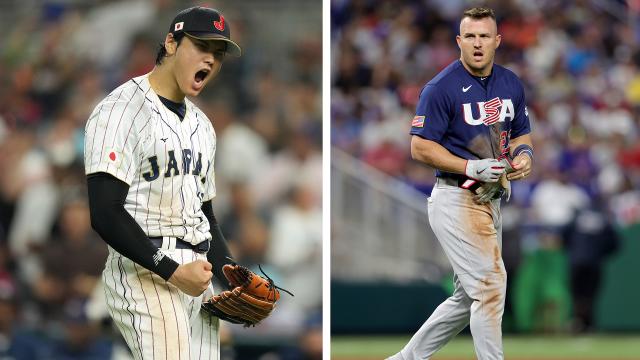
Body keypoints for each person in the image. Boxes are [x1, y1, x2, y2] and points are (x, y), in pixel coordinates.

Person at [84, 6, 242, 359]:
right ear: (171, 43)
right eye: (202, 47)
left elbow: (206, 217)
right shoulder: (121, 109)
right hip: (145, 270)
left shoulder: (203, 126)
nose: (211, 60)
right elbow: (105, 212)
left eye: (218, 54)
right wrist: (171, 271)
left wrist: (234, 275)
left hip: (198, 273)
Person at [387, 7, 533, 360]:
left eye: (485, 36)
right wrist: (471, 166)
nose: (478, 43)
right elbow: (419, 146)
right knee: (491, 285)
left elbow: (521, 136)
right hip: (455, 196)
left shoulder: (511, 83)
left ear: (497, 41)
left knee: (468, 295)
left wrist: (525, 156)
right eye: (470, 36)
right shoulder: (441, 87)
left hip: (491, 198)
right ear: (459, 41)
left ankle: (405, 359)